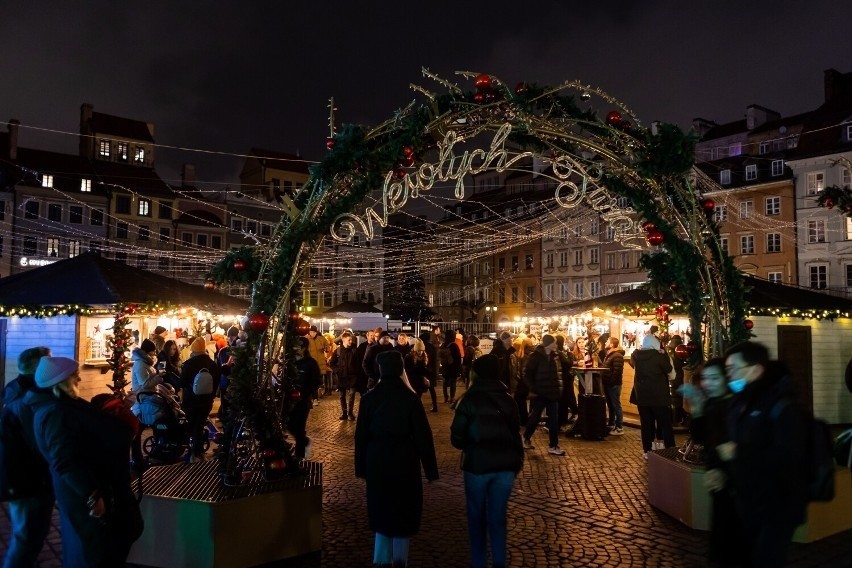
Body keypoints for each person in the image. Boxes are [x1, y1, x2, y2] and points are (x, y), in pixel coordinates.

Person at [26, 357, 143, 566]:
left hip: (95, 486)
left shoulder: (62, 406)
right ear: (60, 382)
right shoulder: (55, 412)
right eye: (73, 375)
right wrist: (92, 494)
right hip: (87, 493)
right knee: (94, 548)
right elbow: (65, 459)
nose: (79, 378)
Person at [718, 342, 808, 567]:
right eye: (727, 371)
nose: (729, 376)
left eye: (733, 370)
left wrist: (739, 453)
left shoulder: (783, 406)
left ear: (756, 369)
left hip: (777, 503)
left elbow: (791, 456)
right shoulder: (739, 402)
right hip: (747, 499)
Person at [355, 351, 439, 568]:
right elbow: (423, 436)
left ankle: (381, 558)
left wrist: (361, 467)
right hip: (404, 460)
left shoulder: (369, 398)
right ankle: (401, 560)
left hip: (377, 459)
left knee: (381, 507)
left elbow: (361, 436)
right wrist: (430, 470)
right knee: (402, 509)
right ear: (401, 369)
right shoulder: (410, 399)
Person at [450, 354, 524, 568]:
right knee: (498, 517)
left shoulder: (469, 399)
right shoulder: (508, 399)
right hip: (505, 467)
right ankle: (499, 561)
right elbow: (515, 431)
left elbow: (457, 437)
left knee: (476, 518)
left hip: (477, 466)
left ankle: (479, 562)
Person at [679, 358, 748, 566]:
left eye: (714, 378)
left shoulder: (736, 403)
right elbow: (701, 437)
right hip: (718, 478)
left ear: (726, 378)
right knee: (720, 530)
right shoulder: (712, 402)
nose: (709, 383)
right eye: (706, 378)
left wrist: (723, 467)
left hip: (736, 480)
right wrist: (698, 407)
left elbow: (734, 443)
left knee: (735, 534)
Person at [1, 346, 54, 568]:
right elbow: (38, 442)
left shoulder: (15, 388)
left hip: (25, 477)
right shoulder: (27, 399)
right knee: (26, 536)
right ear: (37, 367)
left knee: (29, 534)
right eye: (48, 362)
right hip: (27, 479)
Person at [631, 334, 675, 458]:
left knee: (646, 424)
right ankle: (670, 448)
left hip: (642, 397)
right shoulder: (658, 356)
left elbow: (632, 363)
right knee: (665, 423)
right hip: (659, 396)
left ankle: (647, 450)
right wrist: (664, 354)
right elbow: (668, 368)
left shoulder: (636, 355)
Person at [522, 334, 566, 456]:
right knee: (535, 418)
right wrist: (533, 388)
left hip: (552, 393)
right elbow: (526, 374)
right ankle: (526, 438)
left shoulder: (555, 356)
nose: (556, 345)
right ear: (549, 343)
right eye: (554, 342)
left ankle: (553, 445)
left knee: (553, 420)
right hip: (541, 393)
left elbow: (561, 371)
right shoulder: (535, 357)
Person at [179, 336, 221, 462]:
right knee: (200, 425)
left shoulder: (188, 364)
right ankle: (199, 452)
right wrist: (212, 396)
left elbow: (182, 383)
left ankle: (192, 452)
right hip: (206, 401)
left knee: (191, 426)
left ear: (193, 350)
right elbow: (216, 382)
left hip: (191, 401)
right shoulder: (212, 365)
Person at [291, 336, 321, 457]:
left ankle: (299, 456)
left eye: (297, 346)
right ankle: (304, 441)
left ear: (303, 348)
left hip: (303, 401)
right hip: (289, 400)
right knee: (289, 424)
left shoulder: (310, 363)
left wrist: (306, 393)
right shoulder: (290, 362)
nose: (294, 348)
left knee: (299, 427)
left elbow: (316, 381)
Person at [329, 331, 358, 421]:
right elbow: (332, 363)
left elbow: (358, 362)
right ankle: (344, 412)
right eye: (349, 340)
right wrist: (337, 370)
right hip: (342, 376)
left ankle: (350, 412)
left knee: (352, 394)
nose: (351, 341)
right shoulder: (338, 350)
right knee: (342, 395)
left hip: (352, 376)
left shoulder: (354, 350)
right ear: (344, 340)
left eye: (351, 340)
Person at [601, 336, 625, 435]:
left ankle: (619, 427)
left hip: (613, 384)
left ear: (611, 344)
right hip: (608, 383)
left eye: (607, 341)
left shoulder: (617, 356)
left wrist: (611, 381)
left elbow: (617, 371)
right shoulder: (609, 354)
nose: (605, 342)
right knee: (610, 405)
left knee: (616, 405)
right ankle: (611, 423)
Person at [554, 335, 578, 430]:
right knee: (564, 401)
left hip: (562, 380)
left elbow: (567, 363)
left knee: (563, 402)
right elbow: (568, 363)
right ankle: (562, 422)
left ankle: (560, 423)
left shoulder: (558, 352)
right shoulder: (561, 353)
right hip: (563, 380)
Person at [667, 334, 687, 425]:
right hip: (681, 377)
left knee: (673, 399)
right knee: (679, 399)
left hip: (671, 377)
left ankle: (673, 420)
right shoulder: (682, 350)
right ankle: (679, 419)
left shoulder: (668, 351)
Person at [418, 330, 440, 412]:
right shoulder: (432, 346)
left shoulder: (422, 346)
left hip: (424, 369)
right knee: (431, 389)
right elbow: (435, 359)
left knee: (419, 389)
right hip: (431, 370)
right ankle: (435, 406)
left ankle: (418, 406)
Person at [306, 325, 331, 398]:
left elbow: (327, 348)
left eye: (313, 332)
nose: (312, 333)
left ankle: (318, 393)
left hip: (320, 363)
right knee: (311, 379)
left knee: (319, 379)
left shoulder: (322, 339)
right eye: (310, 332)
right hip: (311, 363)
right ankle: (314, 396)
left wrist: (326, 348)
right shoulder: (307, 339)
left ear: (316, 332)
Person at [441, 332, 462, 405]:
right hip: (453, 367)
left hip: (445, 367)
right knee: (453, 383)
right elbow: (458, 358)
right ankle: (452, 398)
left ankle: (445, 397)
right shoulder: (454, 345)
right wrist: (459, 368)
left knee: (445, 383)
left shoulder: (443, 344)